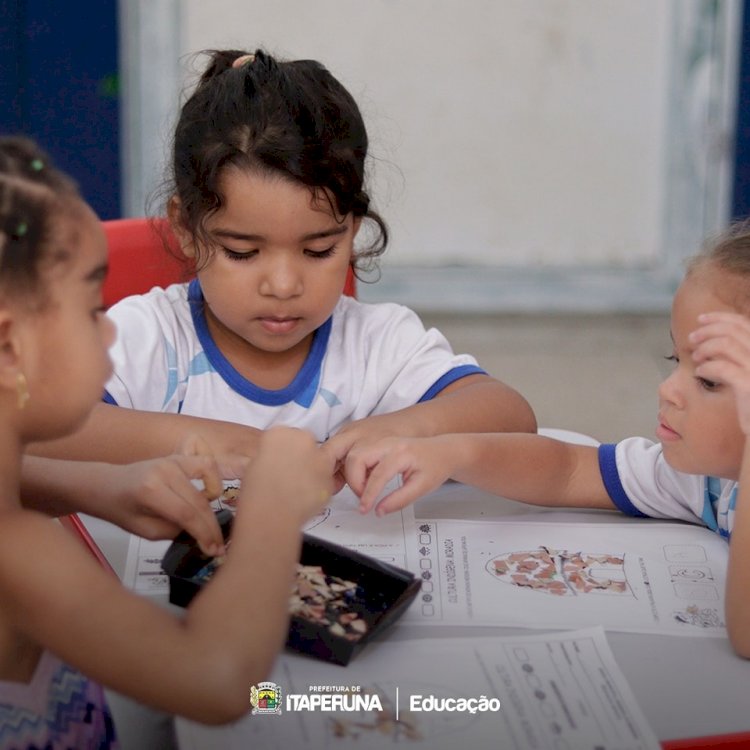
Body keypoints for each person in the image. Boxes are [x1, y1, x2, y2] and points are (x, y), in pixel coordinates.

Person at [30, 48, 535, 474]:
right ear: (186, 228)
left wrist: (401, 429)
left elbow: (510, 415)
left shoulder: (376, 346)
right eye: (242, 252)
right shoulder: (151, 338)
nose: (284, 283)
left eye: (318, 250)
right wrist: (224, 445)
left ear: (352, 231)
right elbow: (33, 428)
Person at [0, 135, 334, 746]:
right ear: (8, 347)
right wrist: (271, 510)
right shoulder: (16, 554)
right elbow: (218, 682)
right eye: (92, 308)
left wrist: (99, 485)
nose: (109, 333)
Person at [342, 221, 750, 659]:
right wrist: (453, 452)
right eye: (675, 359)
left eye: (708, 381)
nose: (668, 389)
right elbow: (570, 469)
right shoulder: (706, 481)